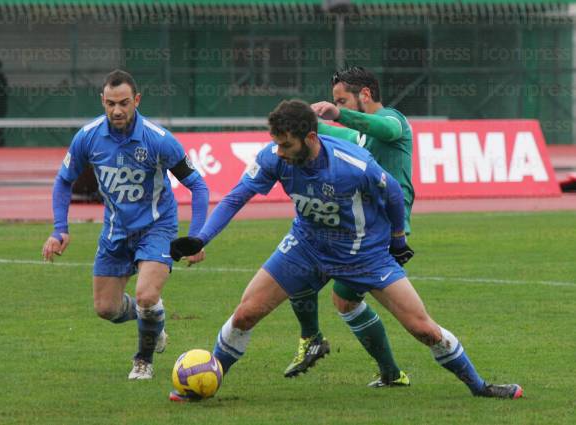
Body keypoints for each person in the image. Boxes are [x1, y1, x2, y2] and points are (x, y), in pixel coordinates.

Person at [169, 99, 523, 401]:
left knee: (423, 329)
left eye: (285, 145)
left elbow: (394, 195)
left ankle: (480, 388)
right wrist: (202, 239)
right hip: (306, 246)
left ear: (310, 138)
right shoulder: (274, 158)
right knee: (246, 313)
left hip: (363, 253)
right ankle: (207, 382)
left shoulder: (352, 165)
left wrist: (398, 240)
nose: (279, 152)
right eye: (275, 144)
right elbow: (235, 197)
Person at [41, 69, 209, 380]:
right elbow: (63, 181)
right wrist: (59, 228)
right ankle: (153, 320)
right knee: (106, 308)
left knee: (146, 294)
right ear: (102, 101)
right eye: (110, 103)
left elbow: (198, 186)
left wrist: (197, 237)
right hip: (115, 231)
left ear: (137, 101)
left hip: (157, 229)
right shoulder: (88, 137)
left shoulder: (159, 140)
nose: (117, 110)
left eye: (124, 102)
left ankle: (142, 360)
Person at [283, 66, 415, 385]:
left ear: (365, 95)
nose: (337, 108)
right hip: (358, 227)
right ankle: (390, 373)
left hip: (382, 229)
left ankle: (314, 339)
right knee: (344, 298)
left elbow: (376, 127)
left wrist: (338, 115)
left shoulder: (394, 121)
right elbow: (338, 134)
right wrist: (301, 123)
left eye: (341, 100)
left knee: (406, 317)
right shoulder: (361, 135)